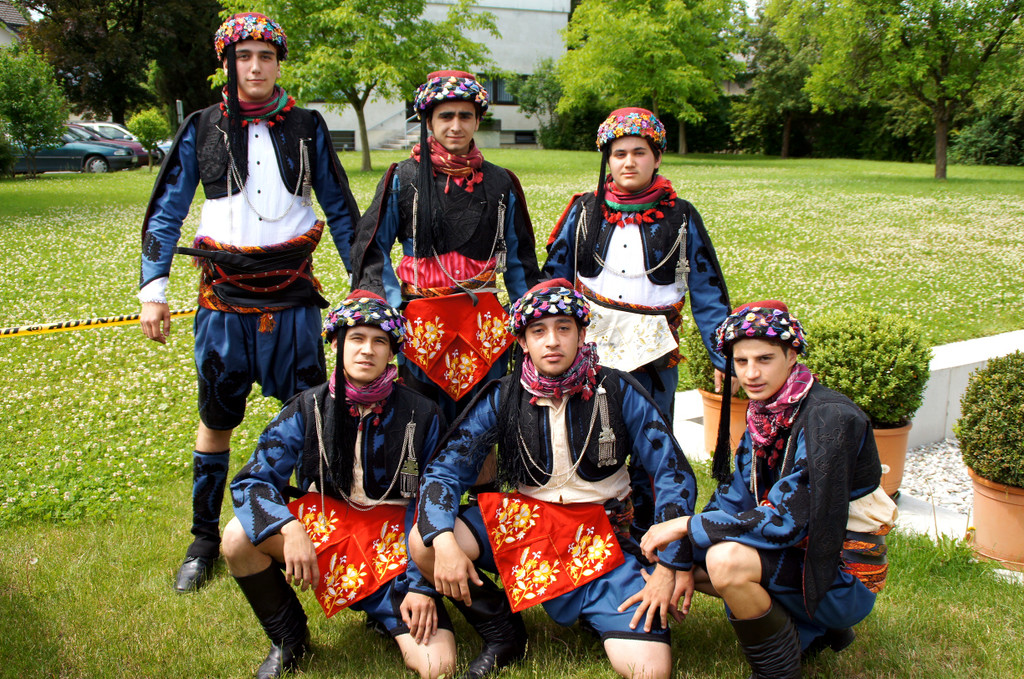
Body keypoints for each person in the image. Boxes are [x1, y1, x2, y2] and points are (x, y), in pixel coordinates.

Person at [137, 12, 359, 593]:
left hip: (294, 302)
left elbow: (341, 210)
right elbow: (165, 210)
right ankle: (203, 540)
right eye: (244, 56)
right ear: (228, 63)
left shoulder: (309, 126)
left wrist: (365, 286)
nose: (255, 66)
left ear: (279, 63)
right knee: (216, 420)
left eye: (265, 56)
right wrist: (153, 290)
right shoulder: (201, 126)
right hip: (224, 304)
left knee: (314, 417)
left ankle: (317, 527)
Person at [410, 279, 699, 679]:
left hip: (603, 533)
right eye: (538, 331)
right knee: (424, 542)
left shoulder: (617, 389)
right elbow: (445, 471)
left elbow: (672, 471)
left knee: (649, 670)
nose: (552, 341)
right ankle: (501, 630)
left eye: (564, 328)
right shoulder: (503, 395)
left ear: (582, 333)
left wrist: (668, 564)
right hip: (525, 523)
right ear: (523, 342)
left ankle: (597, 605)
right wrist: (443, 541)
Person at [640, 301, 898, 679]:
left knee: (726, 561)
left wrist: (684, 525)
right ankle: (810, 629)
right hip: (796, 554)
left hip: (839, 574)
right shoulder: (766, 413)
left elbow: (787, 521)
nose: (751, 373)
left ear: (792, 355)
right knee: (681, 557)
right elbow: (733, 498)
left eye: (764, 359)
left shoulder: (830, 419)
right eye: (741, 362)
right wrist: (672, 562)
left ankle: (778, 670)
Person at [223, 291, 454, 679]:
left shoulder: (424, 413)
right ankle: (289, 638)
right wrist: (288, 527)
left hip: (394, 539)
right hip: (325, 526)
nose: (367, 350)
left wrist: (420, 586)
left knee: (438, 667)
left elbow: (430, 499)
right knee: (236, 538)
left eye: (379, 341)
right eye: (356, 338)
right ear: (335, 343)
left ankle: (385, 609)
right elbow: (253, 481)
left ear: (392, 351)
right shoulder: (306, 407)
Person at [351, 70, 541, 424]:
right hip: (421, 326)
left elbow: (520, 262)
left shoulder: (501, 182)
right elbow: (372, 247)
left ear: (478, 120)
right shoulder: (403, 178)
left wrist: (532, 322)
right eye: (445, 116)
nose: (456, 126)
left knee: (482, 426)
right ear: (428, 122)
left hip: (484, 326)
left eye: (465, 116)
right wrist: (388, 310)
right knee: (421, 423)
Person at [542, 107, 730, 425]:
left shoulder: (682, 217)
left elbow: (708, 292)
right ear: (608, 160)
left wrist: (725, 358)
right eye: (619, 154)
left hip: (655, 358)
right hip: (590, 355)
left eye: (639, 152)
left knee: (653, 435)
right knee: (590, 432)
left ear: (657, 158)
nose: (629, 162)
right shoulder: (583, 212)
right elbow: (553, 281)